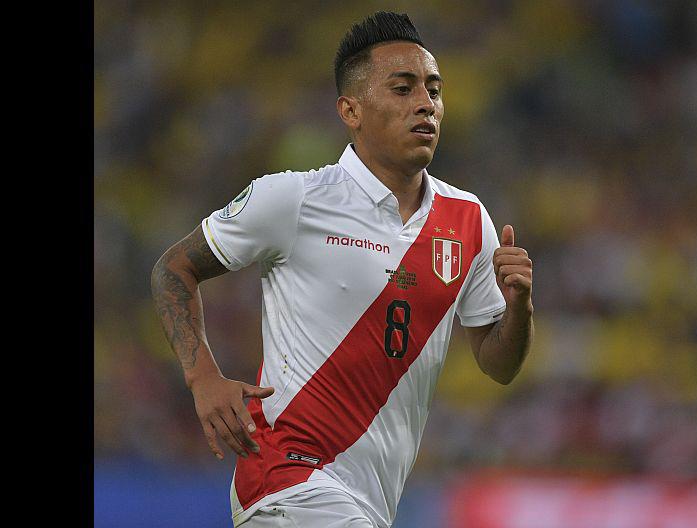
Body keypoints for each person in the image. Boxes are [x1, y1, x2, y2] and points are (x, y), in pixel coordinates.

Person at [149, 11, 534, 528]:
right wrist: (203, 379)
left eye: (434, 90)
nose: (426, 104)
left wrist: (520, 307)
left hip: (369, 501)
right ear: (351, 109)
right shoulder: (294, 198)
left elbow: (498, 362)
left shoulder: (467, 220)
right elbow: (173, 269)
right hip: (287, 479)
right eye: (403, 89)